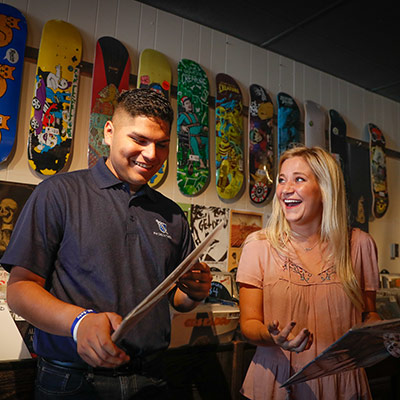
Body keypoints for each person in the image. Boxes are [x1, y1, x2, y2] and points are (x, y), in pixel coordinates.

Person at [1, 88, 212, 400]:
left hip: (152, 377)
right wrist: (79, 323)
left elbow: (176, 299)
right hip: (71, 379)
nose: (152, 155)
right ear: (109, 133)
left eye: (162, 145)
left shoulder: (172, 214)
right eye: (139, 140)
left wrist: (194, 292)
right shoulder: (58, 193)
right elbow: (19, 290)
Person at [236, 146, 382, 399]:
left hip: (340, 382)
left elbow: (369, 314)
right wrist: (274, 338)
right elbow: (248, 325)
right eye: (282, 180)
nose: (285, 189)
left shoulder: (359, 245)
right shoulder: (257, 244)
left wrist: (381, 333)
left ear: (325, 189)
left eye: (299, 179)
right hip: (277, 383)